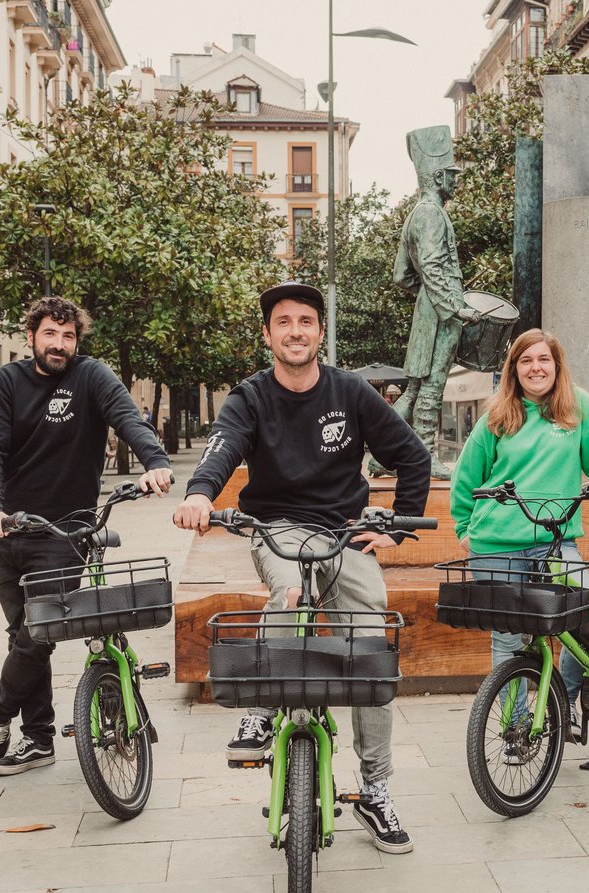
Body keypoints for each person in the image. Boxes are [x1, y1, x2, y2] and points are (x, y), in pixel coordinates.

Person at [174, 280, 432, 853]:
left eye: (306, 321)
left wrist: (399, 525)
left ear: (320, 332)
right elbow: (222, 446)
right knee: (287, 592)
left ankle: (377, 791)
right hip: (277, 527)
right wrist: (198, 494)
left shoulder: (351, 392)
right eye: (284, 322)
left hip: (345, 531)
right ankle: (261, 711)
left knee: (371, 653)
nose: (296, 331)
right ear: (268, 334)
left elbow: (413, 456)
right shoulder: (250, 396)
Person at [0, 296, 173, 776]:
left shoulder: (92, 377)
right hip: (13, 528)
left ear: (77, 341)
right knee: (23, 634)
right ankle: (39, 739)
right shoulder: (8, 382)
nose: (59, 344)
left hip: (65, 531)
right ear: (32, 338)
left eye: (68, 336)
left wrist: (156, 462)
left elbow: (128, 418)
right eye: (50, 334)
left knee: (38, 632)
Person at [450, 329, 589, 740]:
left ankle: (562, 702)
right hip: (495, 545)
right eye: (526, 360)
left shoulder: (577, 409)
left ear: (556, 365)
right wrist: (464, 527)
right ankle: (514, 730)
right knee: (508, 639)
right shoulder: (498, 414)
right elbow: (466, 478)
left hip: (554, 541)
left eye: (543, 359)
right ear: (514, 369)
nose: (535, 368)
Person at [392, 125, 479, 477]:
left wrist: (428, 298)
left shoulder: (416, 213)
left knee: (413, 389)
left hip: (430, 308)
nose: (456, 183)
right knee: (430, 386)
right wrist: (452, 306)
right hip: (443, 314)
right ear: (439, 175)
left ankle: (384, 455)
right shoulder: (430, 213)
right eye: (453, 176)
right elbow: (428, 265)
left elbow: (402, 275)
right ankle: (425, 456)